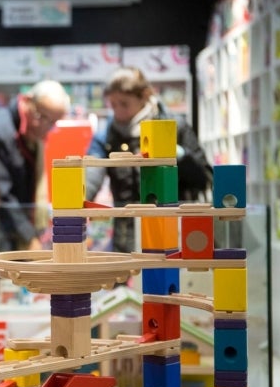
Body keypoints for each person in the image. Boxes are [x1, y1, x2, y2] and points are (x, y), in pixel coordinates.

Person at [85, 66, 213, 253]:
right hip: (126, 236)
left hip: (172, 232)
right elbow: (92, 172)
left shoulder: (176, 127)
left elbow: (204, 178)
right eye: (113, 105)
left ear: (144, 96)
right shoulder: (106, 136)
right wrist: (79, 199)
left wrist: (179, 154)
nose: (118, 112)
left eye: (124, 103)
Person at [0, 81, 70, 251]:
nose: (43, 126)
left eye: (52, 122)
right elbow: (0, 193)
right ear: (27, 100)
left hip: (12, 228)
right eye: (41, 116)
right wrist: (28, 236)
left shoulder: (29, 136)